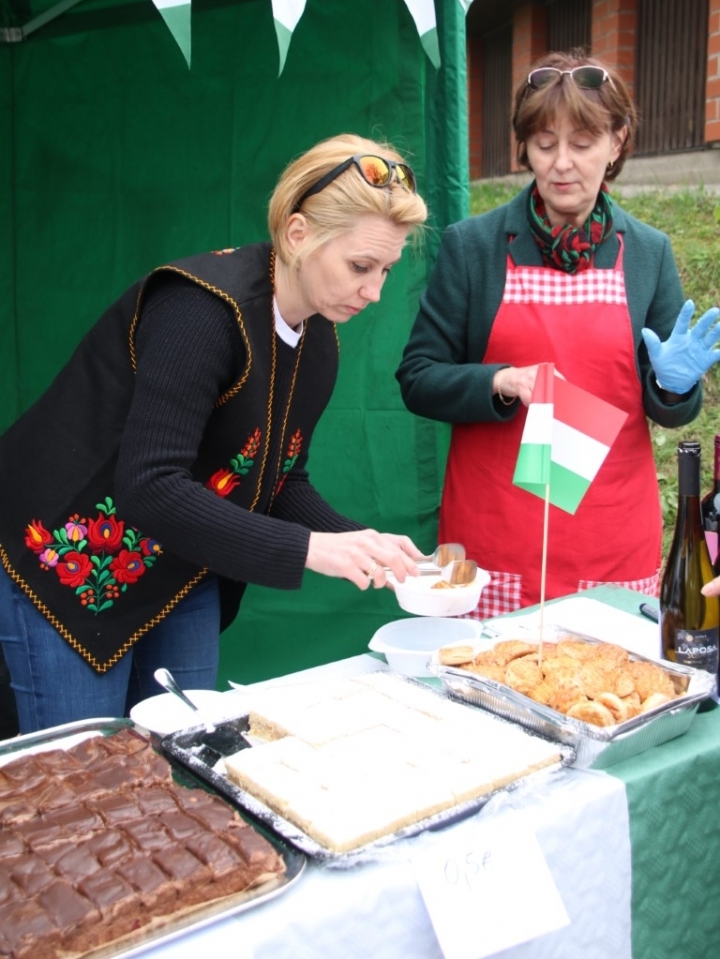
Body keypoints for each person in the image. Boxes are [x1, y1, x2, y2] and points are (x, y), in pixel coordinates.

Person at [0, 133, 428, 733]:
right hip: (69, 564)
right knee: (82, 778)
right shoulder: (201, 311)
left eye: (386, 269)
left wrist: (359, 539)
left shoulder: (319, 341)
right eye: (360, 266)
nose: (375, 291)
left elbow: (275, 478)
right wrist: (312, 550)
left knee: (188, 753)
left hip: (182, 563)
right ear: (299, 233)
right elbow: (149, 485)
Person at [396, 51, 720, 618]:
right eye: (545, 145)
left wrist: (672, 389)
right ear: (523, 147)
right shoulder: (474, 247)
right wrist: (499, 380)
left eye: (583, 143)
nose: (562, 164)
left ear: (617, 142)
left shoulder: (647, 253)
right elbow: (419, 378)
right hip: (495, 532)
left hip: (613, 530)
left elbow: (669, 411)